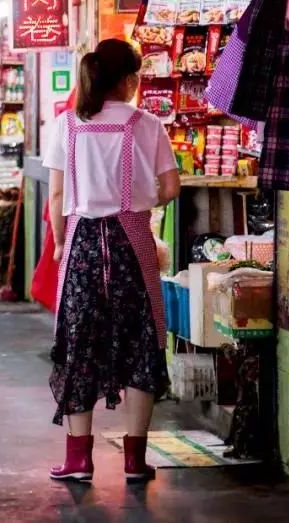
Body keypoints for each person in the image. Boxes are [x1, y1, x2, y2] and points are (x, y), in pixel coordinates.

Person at [43, 39, 181, 484]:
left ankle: (79, 459)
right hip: (132, 242)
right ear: (129, 80)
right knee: (142, 340)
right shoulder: (149, 124)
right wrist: (147, 198)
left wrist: (62, 243)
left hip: (83, 242)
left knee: (79, 342)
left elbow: (58, 197)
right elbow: (172, 187)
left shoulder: (66, 125)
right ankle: (134, 460)